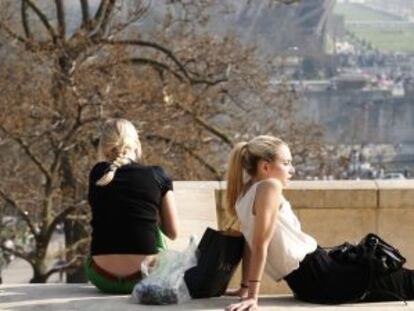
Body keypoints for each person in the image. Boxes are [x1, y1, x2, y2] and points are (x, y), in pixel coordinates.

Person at [224, 135, 414, 310]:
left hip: (314, 279)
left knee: (397, 274)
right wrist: (253, 297)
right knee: (404, 280)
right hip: (324, 278)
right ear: (265, 167)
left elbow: (249, 244)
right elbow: (258, 244)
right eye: (286, 163)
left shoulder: (244, 193)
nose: (292, 169)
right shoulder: (270, 186)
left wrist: (245, 288)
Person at [85, 118, 179, 294]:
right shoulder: (158, 175)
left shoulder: (97, 174)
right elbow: (173, 233)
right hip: (145, 276)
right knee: (154, 231)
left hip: (101, 276)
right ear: (136, 144)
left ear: (104, 147)